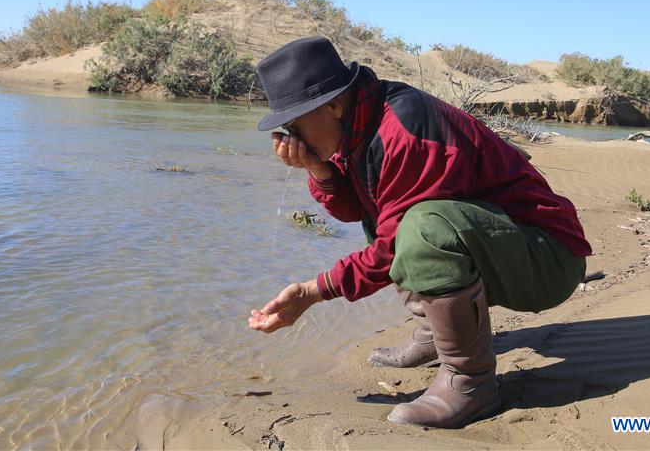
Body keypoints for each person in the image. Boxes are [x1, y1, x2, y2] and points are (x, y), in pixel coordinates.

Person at [247, 36, 591, 429]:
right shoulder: (361, 122)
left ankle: (471, 381)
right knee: (396, 216)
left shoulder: (404, 132)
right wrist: (319, 169)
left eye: (293, 124)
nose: (289, 138)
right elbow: (356, 210)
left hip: (549, 259)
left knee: (424, 228)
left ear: (334, 105)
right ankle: (434, 332)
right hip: (511, 246)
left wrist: (314, 291)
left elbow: (391, 248)